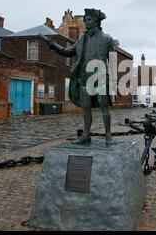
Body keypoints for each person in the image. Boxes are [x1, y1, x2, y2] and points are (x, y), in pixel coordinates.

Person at [38, 8, 116, 143]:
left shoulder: (107, 39)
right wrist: (52, 45)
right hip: (84, 78)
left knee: (104, 108)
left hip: (100, 79)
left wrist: (114, 81)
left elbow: (113, 61)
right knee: (86, 109)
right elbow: (66, 51)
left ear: (97, 21)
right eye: (85, 20)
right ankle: (86, 134)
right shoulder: (82, 39)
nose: (86, 23)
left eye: (89, 20)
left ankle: (108, 134)